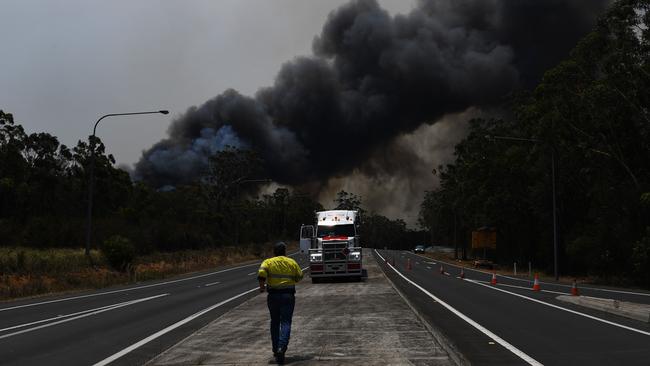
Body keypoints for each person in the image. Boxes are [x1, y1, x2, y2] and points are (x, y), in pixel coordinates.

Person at [258, 242, 303, 364]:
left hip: (273, 296)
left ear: (274, 252)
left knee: (275, 322)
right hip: (288, 296)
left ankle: (275, 348)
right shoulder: (291, 262)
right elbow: (300, 276)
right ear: (285, 252)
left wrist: (262, 287)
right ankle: (281, 347)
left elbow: (261, 273)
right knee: (286, 321)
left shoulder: (268, 262)